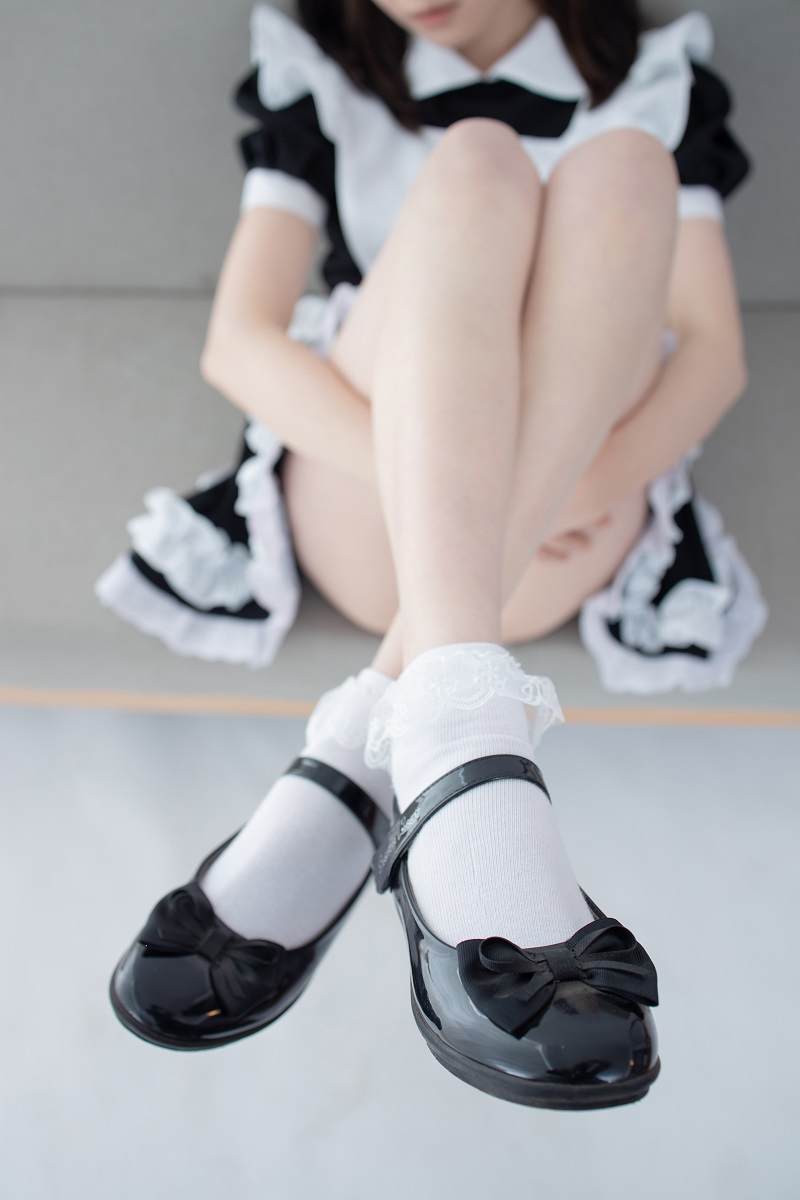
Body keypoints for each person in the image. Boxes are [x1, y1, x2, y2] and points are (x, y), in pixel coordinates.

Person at [106, 0, 764, 1109]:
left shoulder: (657, 78)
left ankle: (363, 752)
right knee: (476, 160)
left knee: (625, 169)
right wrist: (435, 472)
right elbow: (241, 341)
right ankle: (455, 745)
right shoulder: (319, 70)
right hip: (368, 492)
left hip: (571, 509)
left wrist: (586, 479)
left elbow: (709, 353)